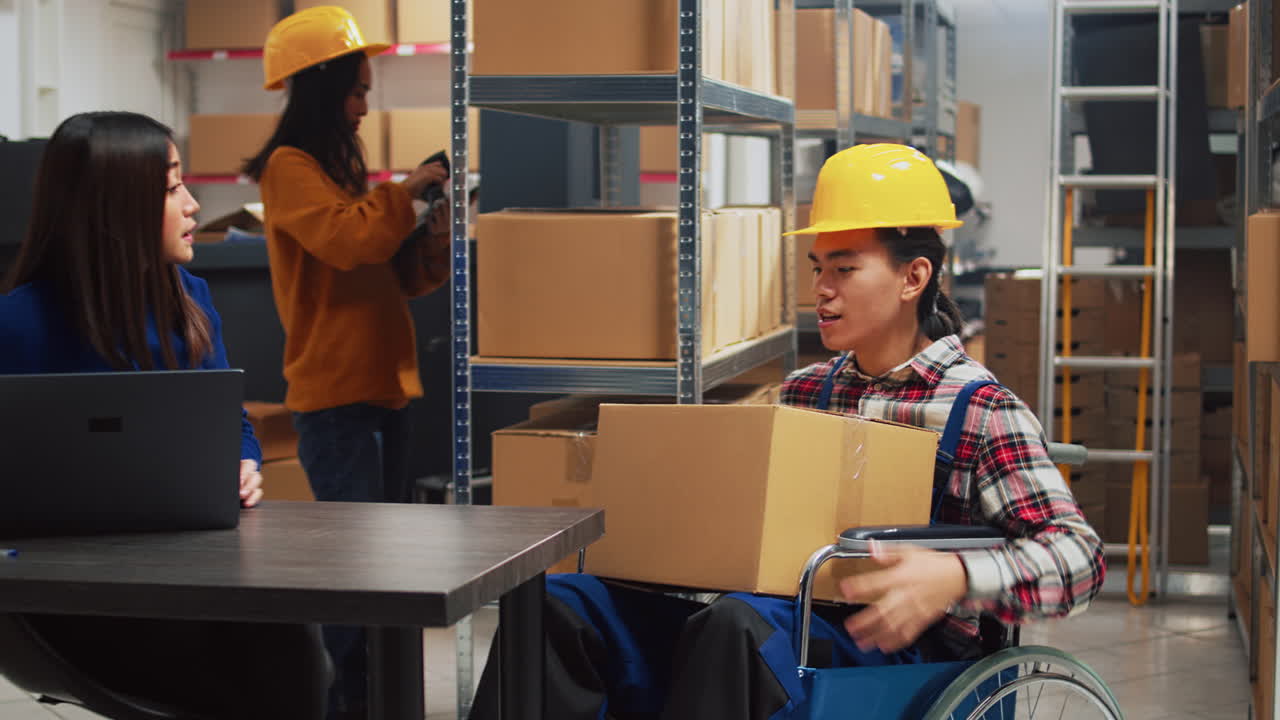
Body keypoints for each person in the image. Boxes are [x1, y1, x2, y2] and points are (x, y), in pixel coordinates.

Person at [468, 144, 1106, 720]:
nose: (821, 291)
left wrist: (956, 576)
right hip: (774, 624)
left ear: (914, 277)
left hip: (896, 655)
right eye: (817, 268)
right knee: (556, 606)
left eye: (845, 270)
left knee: (736, 629)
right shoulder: (807, 391)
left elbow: (1080, 559)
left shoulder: (981, 410)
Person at [0, 110, 330, 719]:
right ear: (115, 206)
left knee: (291, 639)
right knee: (272, 657)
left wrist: (243, 463)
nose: (194, 206)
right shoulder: (17, 325)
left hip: (193, 573)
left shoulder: (191, 303)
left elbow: (232, 422)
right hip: (70, 603)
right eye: (173, 186)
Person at [243, 7, 452, 718]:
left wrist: (430, 226)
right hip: (336, 402)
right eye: (357, 90)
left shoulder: (336, 170)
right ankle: (348, 707)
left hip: (380, 392)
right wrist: (408, 189)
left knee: (383, 573)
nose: (365, 106)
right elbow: (346, 242)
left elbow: (387, 272)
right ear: (321, 87)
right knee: (351, 579)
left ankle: (381, 702)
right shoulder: (288, 169)